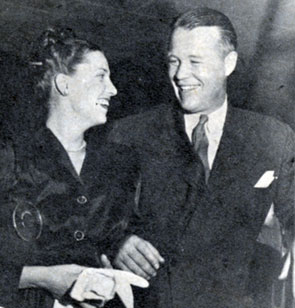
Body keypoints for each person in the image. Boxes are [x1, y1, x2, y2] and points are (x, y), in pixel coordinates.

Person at [108, 7, 295, 308]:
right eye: (174, 61)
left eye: (195, 61)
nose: (181, 74)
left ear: (228, 63)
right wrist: (116, 243)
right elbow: (94, 218)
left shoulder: (273, 138)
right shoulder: (129, 134)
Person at [0, 27, 140, 308]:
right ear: (65, 85)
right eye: (101, 75)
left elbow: (111, 242)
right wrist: (40, 278)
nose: (113, 89)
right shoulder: (11, 155)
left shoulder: (117, 166)